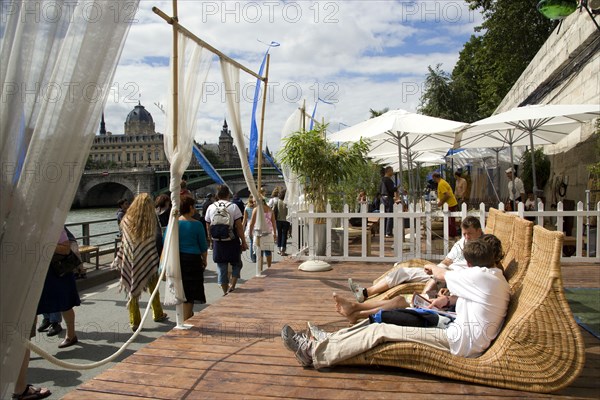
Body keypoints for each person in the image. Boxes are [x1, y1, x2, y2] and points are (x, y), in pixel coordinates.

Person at [281, 237, 510, 368]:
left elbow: (440, 273)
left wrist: (433, 270)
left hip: (459, 341)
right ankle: (329, 339)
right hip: (455, 327)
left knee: (380, 330)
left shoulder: (481, 278)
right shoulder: (494, 278)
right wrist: (448, 299)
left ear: (471, 265)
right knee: (388, 319)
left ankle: (313, 352)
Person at [337, 234, 505, 326]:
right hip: (448, 307)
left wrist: (438, 295)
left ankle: (357, 311)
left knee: (400, 303)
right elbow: (470, 294)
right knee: (399, 300)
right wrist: (447, 297)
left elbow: (443, 276)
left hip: (449, 319)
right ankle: (356, 310)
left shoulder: (482, 275)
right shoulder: (489, 275)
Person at [346, 216, 483, 304]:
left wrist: (441, 272)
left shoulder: (483, 246)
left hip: (456, 278)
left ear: (479, 230)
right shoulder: (461, 242)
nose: (467, 237)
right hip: (443, 271)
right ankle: (365, 293)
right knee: (402, 272)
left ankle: (420, 301)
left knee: (434, 279)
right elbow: (447, 260)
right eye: (464, 234)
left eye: (470, 234)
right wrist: (435, 268)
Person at [112, 193, 168, 331]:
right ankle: (158, 313)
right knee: (154, 288)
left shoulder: (126, 220)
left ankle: (134, 321)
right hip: (149, 258)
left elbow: (126, 241)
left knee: (132, 289)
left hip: (130, 259)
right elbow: (156, 240)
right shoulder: (150, 222)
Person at [37, 227, 80, 349]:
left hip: (57, 270)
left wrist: (43, 245)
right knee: (31, 308)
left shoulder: (55, 224)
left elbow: (65, 249)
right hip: (36, 270)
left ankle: (71, 335)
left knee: (65, 303)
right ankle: (24, 347)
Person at [205, 185, 248, 295]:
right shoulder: (233, 207)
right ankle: (232, 285)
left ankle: (225, 292)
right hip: (232, 240)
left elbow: (208, 225)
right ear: (228, 194)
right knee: (237, 264)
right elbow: (239, 226)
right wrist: (243, 241)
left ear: (217, 195)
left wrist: (210, 239)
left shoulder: (211, 207)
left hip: (218, 241)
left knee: (221, 267)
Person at [176, 195, 209, 320]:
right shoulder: (197, 225)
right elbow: (203, 246)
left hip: (177, 260)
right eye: (194, 207)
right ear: (190, 207)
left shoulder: (174, 224)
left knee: (181, 289)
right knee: (190, 291)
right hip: (193, 260)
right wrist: (204, 260)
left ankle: (184, 316)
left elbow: (166, 242)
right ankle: (186, 317)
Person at [249, 197, 277, 269]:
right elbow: (273, 222)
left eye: (254, 202)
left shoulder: (256, 210)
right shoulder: (270, 209)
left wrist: (250, 232)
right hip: (268, 232)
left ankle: (260, 269)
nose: (253, 203)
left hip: (259, 233)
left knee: (259, 252)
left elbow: (252, 223)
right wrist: (275, 232)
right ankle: (269, 267)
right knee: (268, 251)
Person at [432, 172, 458, 237]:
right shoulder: (442, 182)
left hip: (450, 204)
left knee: (450, 221)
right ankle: (451, 234)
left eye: (433, 178)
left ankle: (452, 235)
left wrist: (441, 202)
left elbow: (447, 195)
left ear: (435, 177)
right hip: (449, 204)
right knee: (450, 220)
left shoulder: (441, 184)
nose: (433, 180)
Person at [380, 166, 397, 237]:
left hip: (382, 198)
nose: (392, 173)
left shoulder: (382, 180)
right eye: (392, 171)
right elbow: (391, 190)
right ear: (389, 171)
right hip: (388, 198)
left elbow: (379, 190)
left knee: (384, 215)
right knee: (390, 215)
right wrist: (396, 188)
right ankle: (388, 232)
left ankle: (384, 231)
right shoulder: (388, 180)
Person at [274, 189, 290, 256]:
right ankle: (283, 250)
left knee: (279, 234)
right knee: (284, 235)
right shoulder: (287, 202)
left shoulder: (277, 202)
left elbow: (274, 211)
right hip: (286, 220)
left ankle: (279, 249)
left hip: (278, 220)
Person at [242, 195, 257, 263]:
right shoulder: (256, 207)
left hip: (249, 225)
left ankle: (253, 257)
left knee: (251, 242)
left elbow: (244, 220)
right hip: (256, 224)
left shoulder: (246, 208)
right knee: (257, 242)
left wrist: (242, 229)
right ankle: (257, 255)